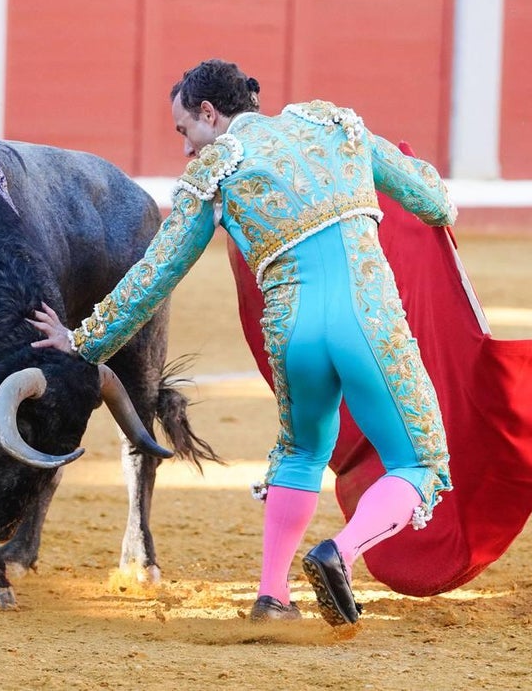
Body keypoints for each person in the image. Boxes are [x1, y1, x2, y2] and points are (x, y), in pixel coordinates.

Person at [29, 59, 456, 627]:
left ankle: (272, 595)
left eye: (185, 131)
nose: (185, 149)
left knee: (303, 451)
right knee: (418, 460)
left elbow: (154, 274)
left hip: (293, 332)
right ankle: (343, 553)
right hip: (367, 320)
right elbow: (434, 200)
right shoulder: (335, 127)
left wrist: (82, 340)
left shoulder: (214, 175)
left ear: (209, 113)